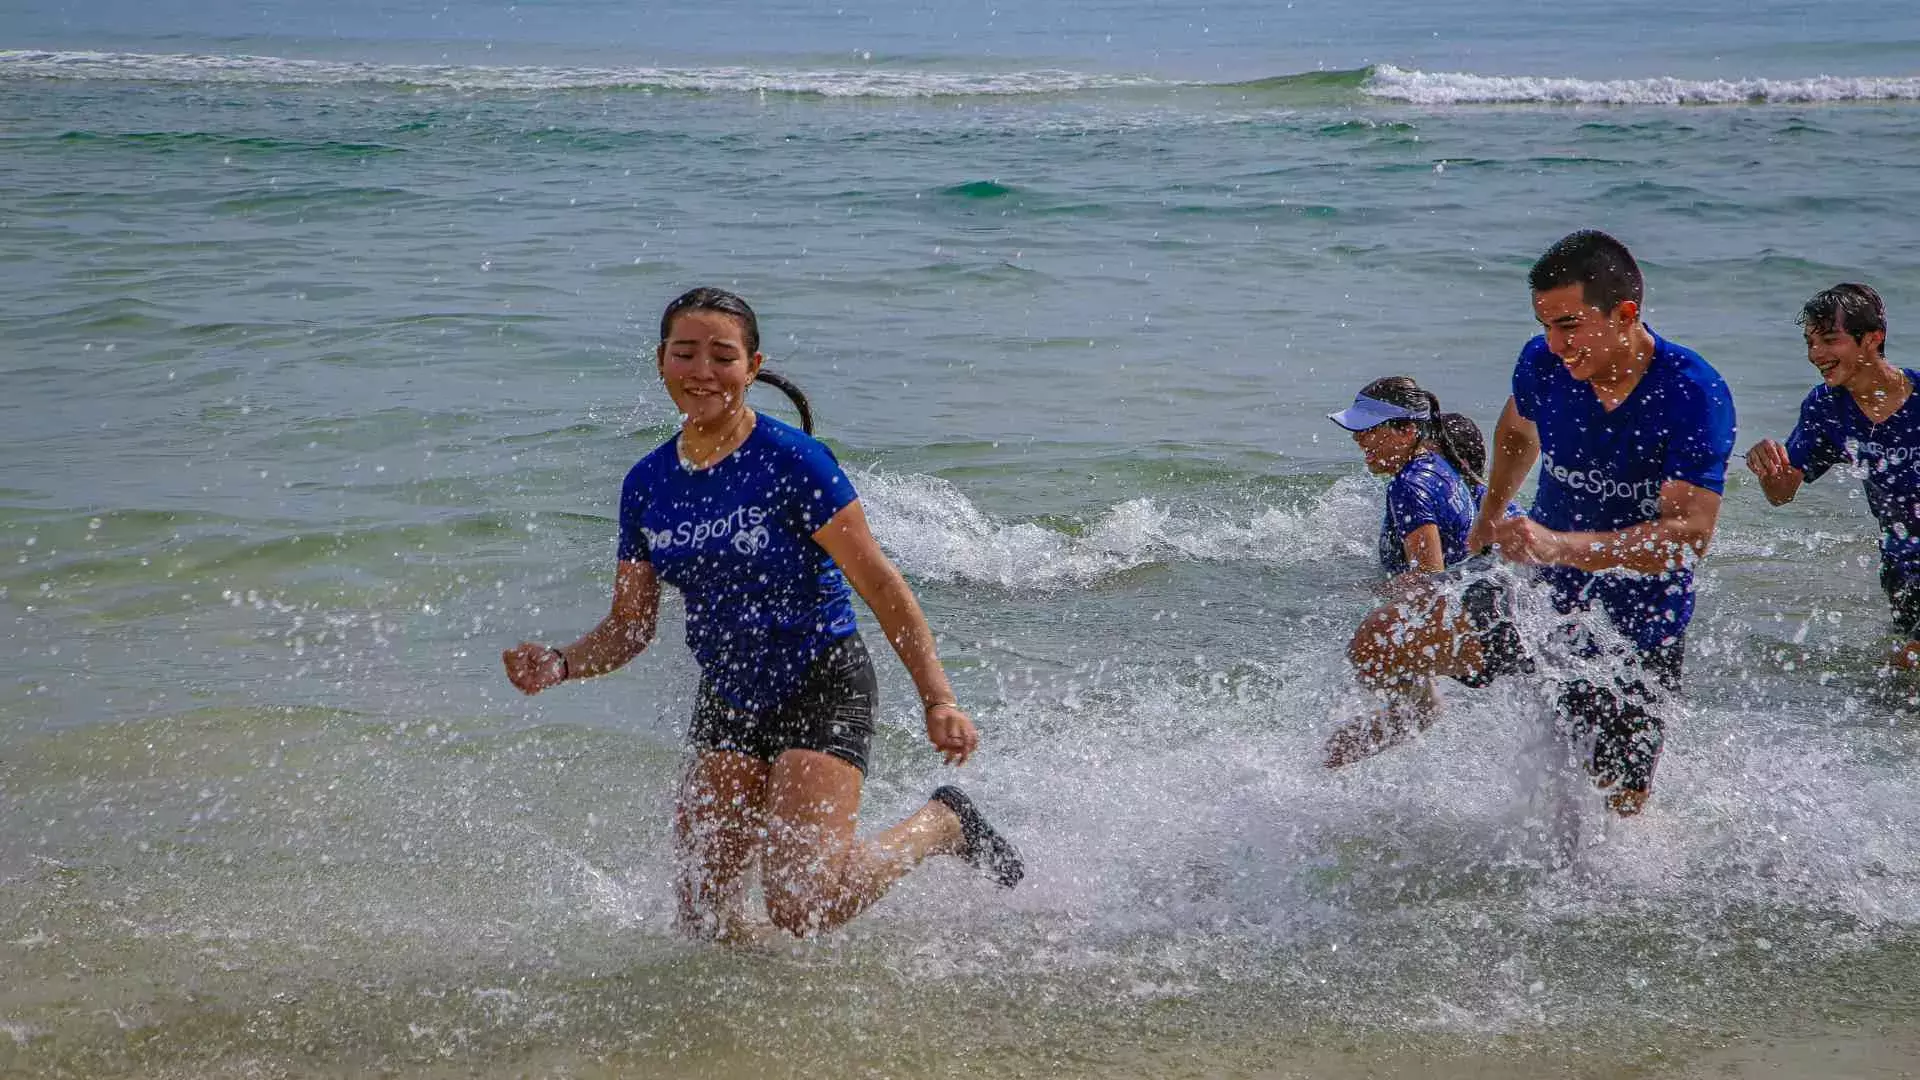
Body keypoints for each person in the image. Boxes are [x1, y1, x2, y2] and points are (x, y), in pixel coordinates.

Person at [503, 287, 1022, 942]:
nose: (702, 372)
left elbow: (883, 586)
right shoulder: (647, 484)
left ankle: (945, 824)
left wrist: (938, 698)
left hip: (820, 684)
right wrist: (562, 661)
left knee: (802, 905)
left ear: (752, 366)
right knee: (705, 917)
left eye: (722, 356)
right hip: (729, 692)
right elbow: (630, 627)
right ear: (661, 361)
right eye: (684, 354)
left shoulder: (794, 462)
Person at [1337, 231, 1736, 817]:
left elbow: (1688, 539)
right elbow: (1516, 432)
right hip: (1535, 598)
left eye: (1569, 325)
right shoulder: (1543, 364)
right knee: (1379, 641)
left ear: (1625, 314)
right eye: (1546, 324)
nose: (1554, 343)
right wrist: (1489, 514)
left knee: (1613, 819)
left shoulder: (1692, 394)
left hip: (1631, 630)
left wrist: (1560, 545)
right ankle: (1415, 714)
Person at [1745, 284, 1920, 668]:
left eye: (1829, 340)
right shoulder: (1826, 408)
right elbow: (1782, 492)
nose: (1815, 354)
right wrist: (1769, 466)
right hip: (1902, 571)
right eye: (1809, 342)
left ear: (1873, 338)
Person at [1323, 377, 1490, 765]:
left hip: (1462, 608)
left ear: (1406, 431)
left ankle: (1415, 711)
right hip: (1475, 597)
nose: (1358, 439)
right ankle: (1416, 709)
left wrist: (1363, 591)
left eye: (1368, 430)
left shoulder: (1410, 484)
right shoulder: (1441, 466)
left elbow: (1428, 576)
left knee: (1369, 649)